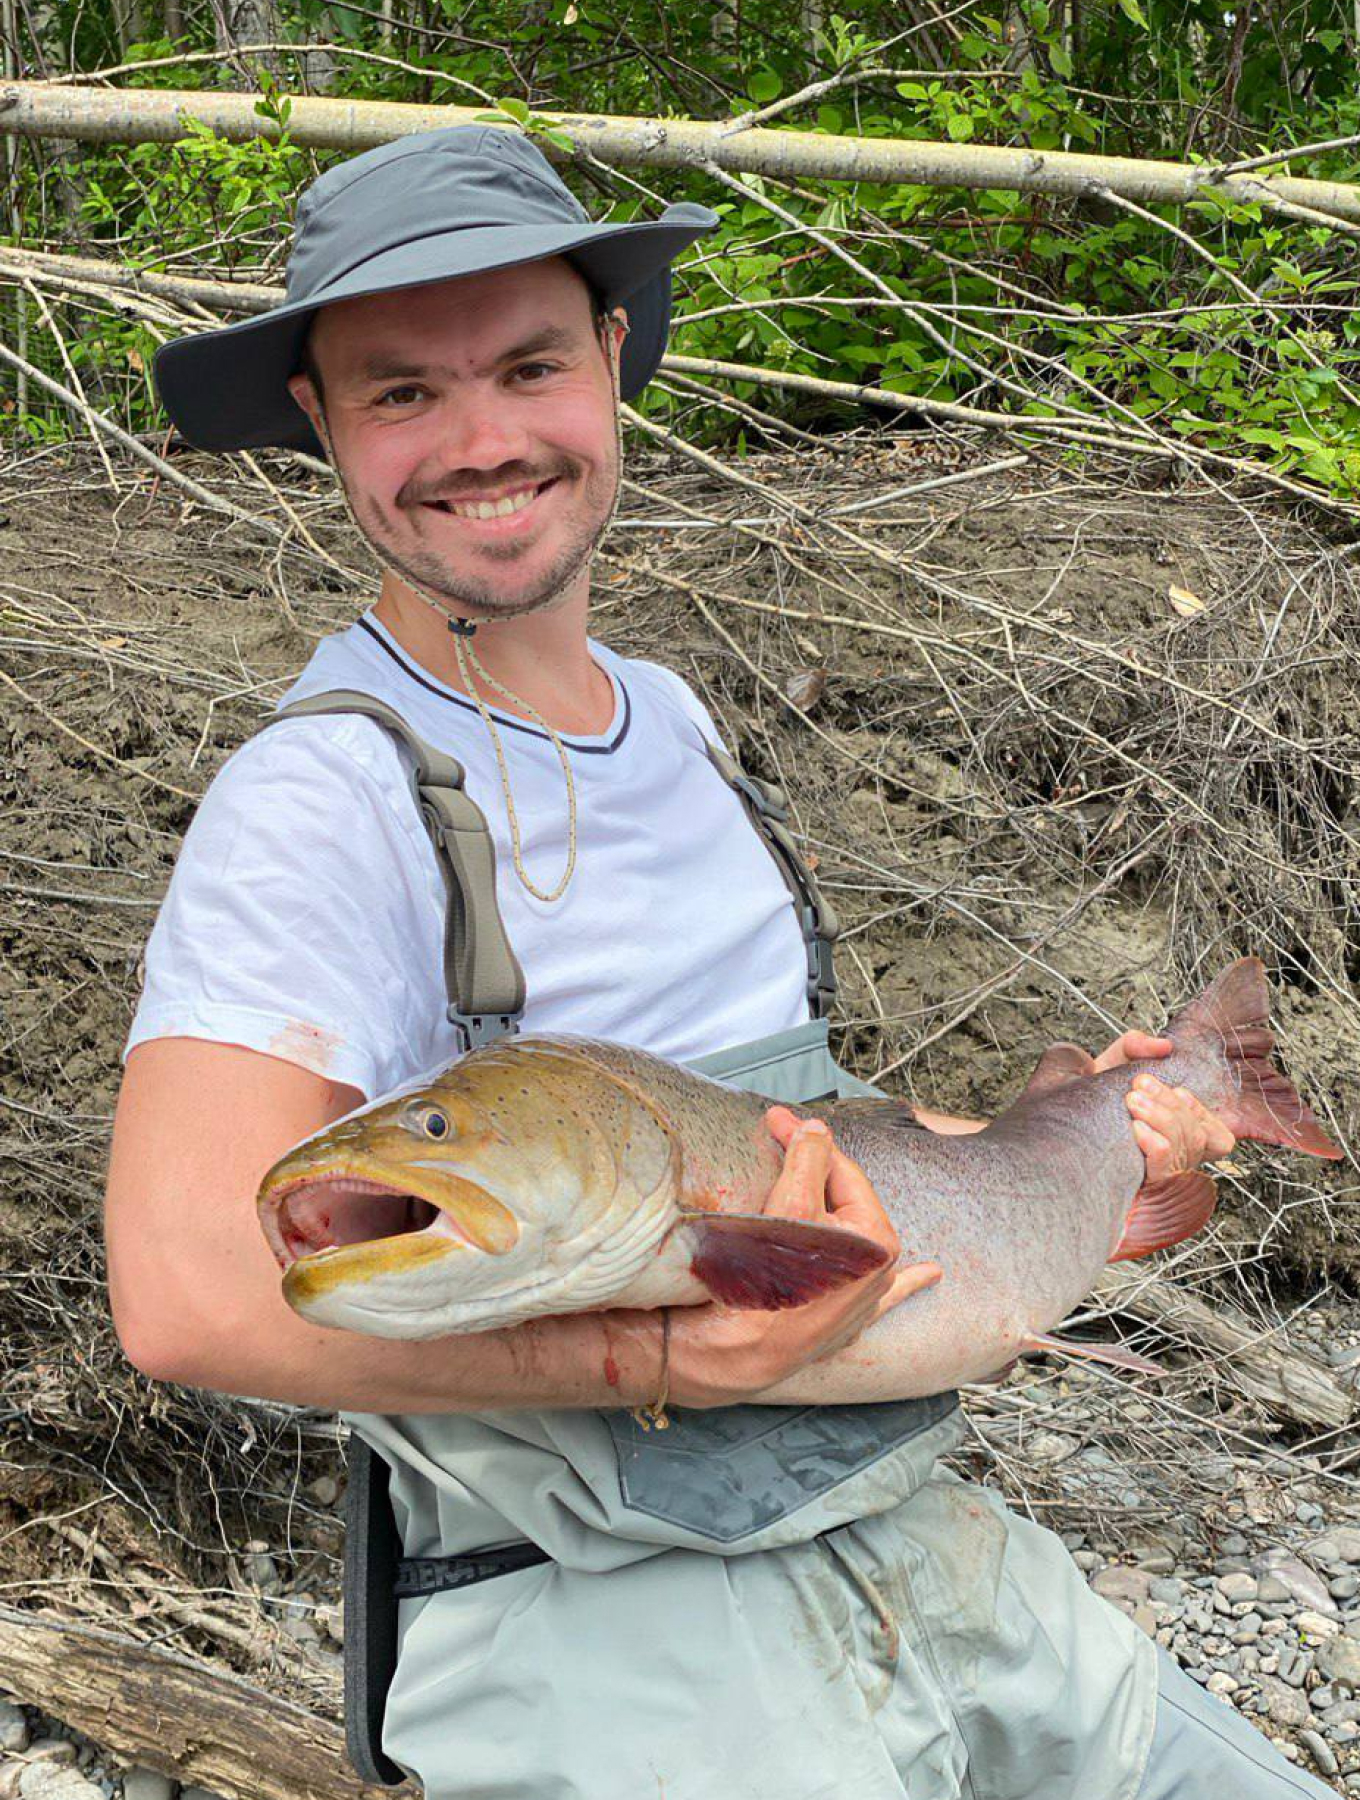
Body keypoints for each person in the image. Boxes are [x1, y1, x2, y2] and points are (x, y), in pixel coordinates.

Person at [103, 126, 1331, 1800]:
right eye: (402, 392)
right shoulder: (322, 795)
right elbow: (183, 1294)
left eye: (529, 365)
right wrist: (659, 1359)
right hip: (630, 1646)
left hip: (919, 1545)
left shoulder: (672, 722)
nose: (481, 440)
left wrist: (1091, 1134)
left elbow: (805, 1128)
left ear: (613, 359)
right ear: (321, 419)